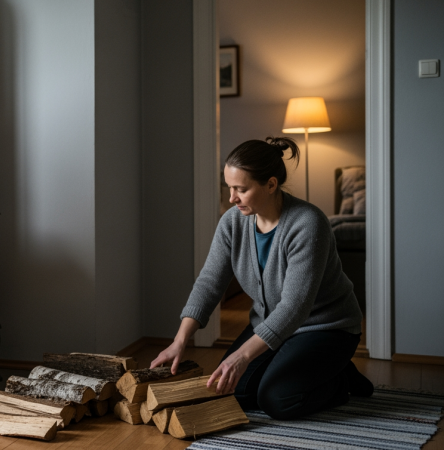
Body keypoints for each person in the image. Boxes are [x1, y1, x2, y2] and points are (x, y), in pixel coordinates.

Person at [150, 137, 373, 420]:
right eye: (229, 188)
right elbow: (209, 282)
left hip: (325, 327)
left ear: (270, 184)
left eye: (241, 189)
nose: (232, 198)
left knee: (277, 400)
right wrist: (180, 340)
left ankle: (340, 379)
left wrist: (242, 356)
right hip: (271, 325)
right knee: (233, 391)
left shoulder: (308, 223)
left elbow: (294, 307)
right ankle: (308, 370)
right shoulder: (232, 222)